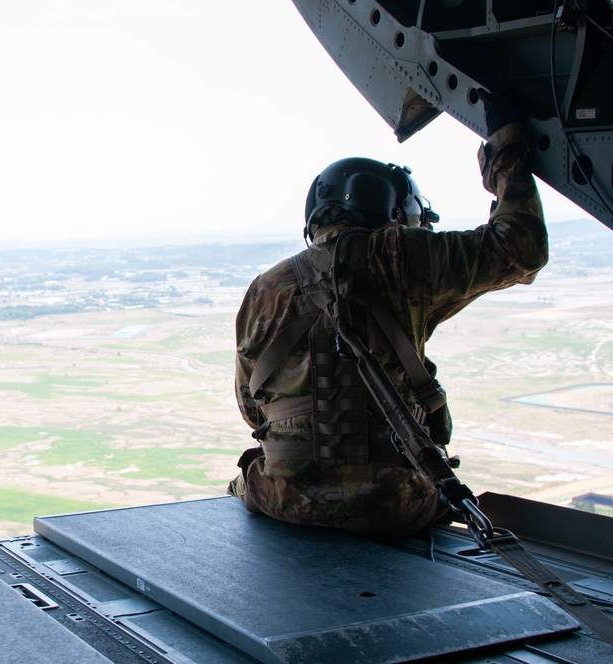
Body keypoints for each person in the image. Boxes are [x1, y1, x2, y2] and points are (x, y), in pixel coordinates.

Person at [227, 101, 547, 540]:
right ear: (393, 210)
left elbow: (251, 406)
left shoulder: (263, 289)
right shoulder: (401, 254)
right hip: (392, 502)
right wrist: (506, 152)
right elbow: (520, 248)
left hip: (282, 498)